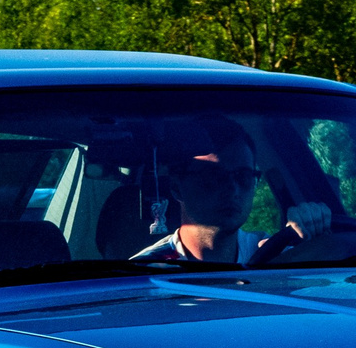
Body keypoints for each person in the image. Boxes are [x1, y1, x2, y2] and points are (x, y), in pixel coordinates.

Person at [133, 114, 330, 266]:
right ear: (177, 188)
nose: (232, 189)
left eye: (243, 176)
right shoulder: (145, 273)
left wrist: (316, 231)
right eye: (213, 177)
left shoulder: (274, 254)